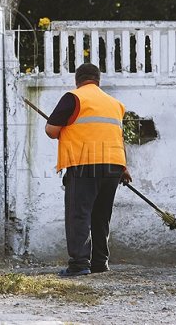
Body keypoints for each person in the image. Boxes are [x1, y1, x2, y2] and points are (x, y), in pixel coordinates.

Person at [45, 63, 132, 277]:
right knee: (101, 216)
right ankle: (99, 263)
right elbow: (117, 137)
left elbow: (51, 131)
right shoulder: (115, 104)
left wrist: (64, 128)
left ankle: (79, 265)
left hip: (84, 163)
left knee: (79, 214)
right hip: (114, 164)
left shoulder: (73, 98)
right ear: (98, 80)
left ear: (78, 80)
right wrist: (124, 167)